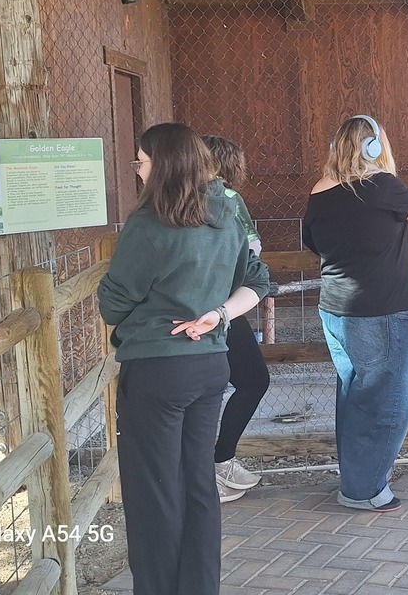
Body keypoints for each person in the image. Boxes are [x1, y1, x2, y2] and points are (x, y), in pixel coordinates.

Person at [98, 123, 271, 595]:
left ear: (164, 164)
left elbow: (114, 304)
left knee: (154, 491)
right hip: (211, 367)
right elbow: (257, 281)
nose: (138, 170)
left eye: (142, 160)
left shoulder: (150, 224)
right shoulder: (227, 216)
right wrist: (218, 313)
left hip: (157, 369)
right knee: (198, 485)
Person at [302, 115, 408, 512]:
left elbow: (311, 243)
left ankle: (357, 480)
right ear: (374, 148)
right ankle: (365, 489)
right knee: (389, 401)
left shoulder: (319, 191)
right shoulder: (383, 186)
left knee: (355, 396)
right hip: (381, 310)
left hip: (335, 311)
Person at [202, 135, 270, 503]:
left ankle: (218, 461)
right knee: (253, 380)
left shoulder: (176, 200)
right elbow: (251, 247)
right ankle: (217, 464)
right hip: (224, 305)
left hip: (209, 306)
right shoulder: (227, 199)